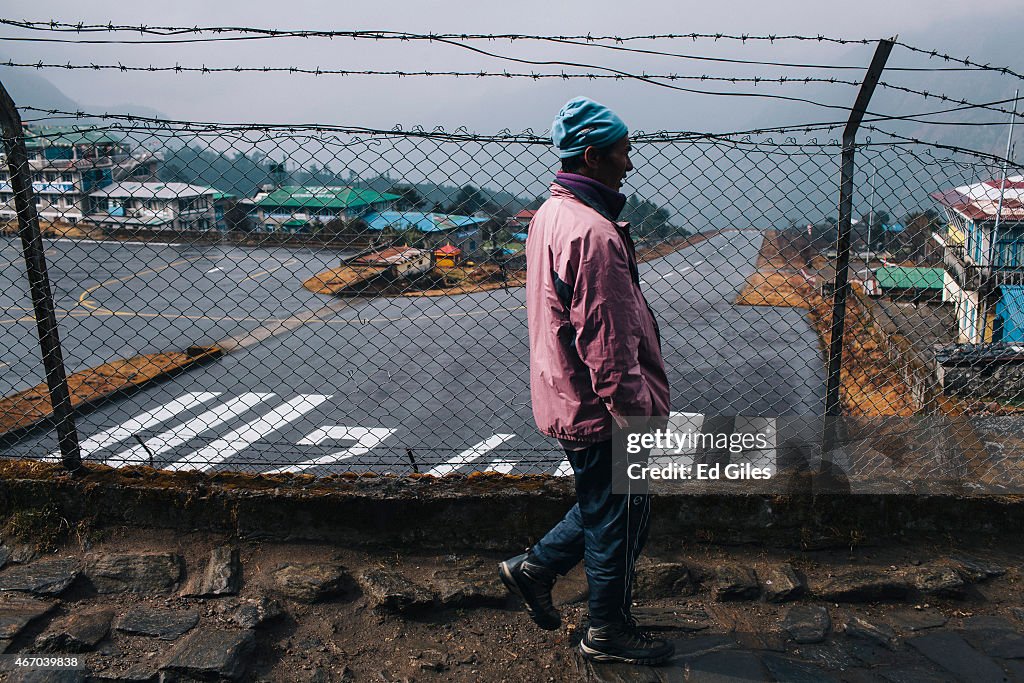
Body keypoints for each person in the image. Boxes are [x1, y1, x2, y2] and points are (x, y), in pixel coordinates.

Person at [499, 96, 674, 666]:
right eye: (623, 151)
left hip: (571, 397)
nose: (630, 163)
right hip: (604, 410)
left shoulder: (553, 214)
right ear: (595, 155)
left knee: (604, 507)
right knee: (618, 523)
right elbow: (606, 345)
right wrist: (637, 417)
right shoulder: (592, 233)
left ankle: (534, 569)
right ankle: (606, 632)